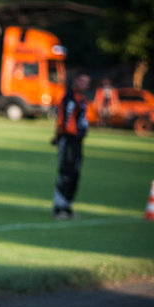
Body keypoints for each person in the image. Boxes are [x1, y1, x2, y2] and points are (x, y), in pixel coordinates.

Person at [51, 72, 91, 219]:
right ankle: (59, 207)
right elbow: (63, 121)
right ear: (75, 81)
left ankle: (67, 205)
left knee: (75, 173)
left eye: (87, 82)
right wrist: (58, 137)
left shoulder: (81, 99)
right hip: (68, 139)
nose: (85, 85)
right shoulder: (69, 98)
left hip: (77, 141)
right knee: (65, 172)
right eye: (83, 81)